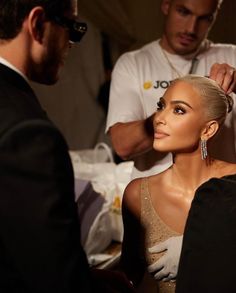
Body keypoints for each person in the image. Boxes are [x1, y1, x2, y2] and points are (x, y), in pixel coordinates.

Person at [0, 1, 135, 292]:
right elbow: (57, 280)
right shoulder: (29, 134)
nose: (73, 43)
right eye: (72, 27)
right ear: (37, 24)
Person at [119, 74, 236, 292]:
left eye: (179, 110)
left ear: (208, 130)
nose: (159, 118)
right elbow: (128, 276)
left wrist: (199, 249)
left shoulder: (232, 184)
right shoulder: (137, 194)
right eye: (161, 106)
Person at [106, 0, 236, 180]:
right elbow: (123, 146)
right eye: (183, 12)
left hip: (220, 194)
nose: (191, 29)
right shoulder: (133, 64)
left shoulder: (231, 56)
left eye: (205, 18)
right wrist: (171, 113)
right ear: (166, 5)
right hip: (156, 196)